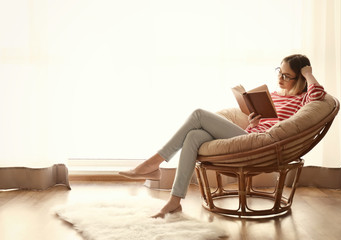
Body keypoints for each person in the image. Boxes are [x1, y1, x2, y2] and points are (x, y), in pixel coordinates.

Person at [118, 54, 326, 218]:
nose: (279, 78)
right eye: (279, 72)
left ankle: (152, 164)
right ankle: (175, 201)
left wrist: (309, 73)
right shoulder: (273, 95)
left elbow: (319, 96)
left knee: (198, 114)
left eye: (286, 76)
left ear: (300, 78)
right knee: (193, 136)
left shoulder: (304, 98)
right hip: (251, 136)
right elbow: (264, 124)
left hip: (262, 146)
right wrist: (254, 121)